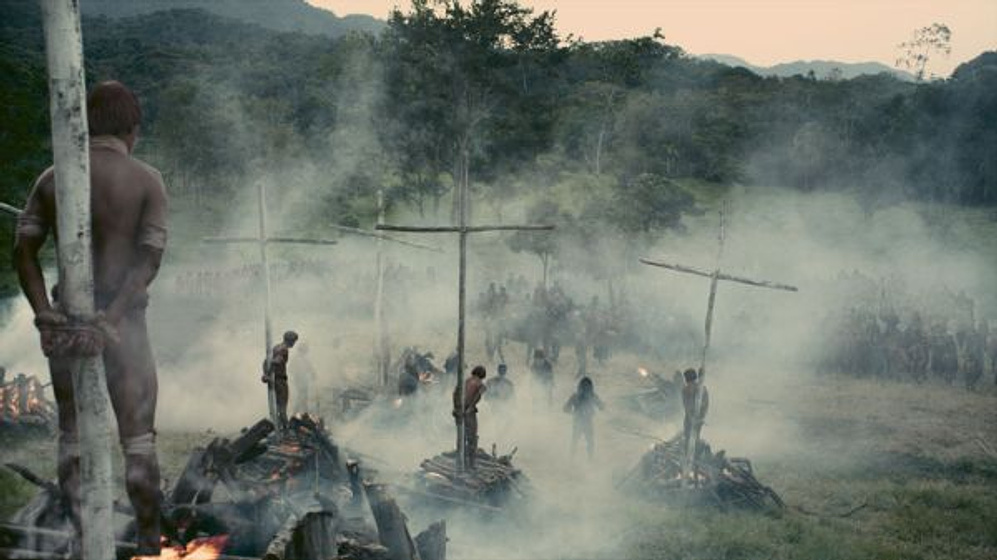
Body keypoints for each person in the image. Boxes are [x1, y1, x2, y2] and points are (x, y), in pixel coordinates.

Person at [14, 81, 168, 554]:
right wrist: (114, 317)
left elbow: (23, 251)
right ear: (132, 129)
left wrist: (45, 315)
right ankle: (146, 545)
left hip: (67, 330)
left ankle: (83, 541)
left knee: (72, 441)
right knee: (138, 444)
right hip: (126, 332)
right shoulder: (146, 180)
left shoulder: (52, 178)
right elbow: (148, 262)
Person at [454, 365, 487, 468]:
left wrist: (456, 408)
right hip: (469, 413)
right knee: (472, 438)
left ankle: (460, 462)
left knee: (462, 437)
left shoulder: (465, 381)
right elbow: (477, 396)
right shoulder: (480, 384)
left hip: (459, 411)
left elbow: (455, 393)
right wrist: (470, 408)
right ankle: (470, 464)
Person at [263, 331, 298, 428]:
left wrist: (266, 374)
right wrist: (268, 374)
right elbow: (276, 361)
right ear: (291, 340)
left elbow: (266, 362)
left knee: (279, 406)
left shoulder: (276, 347)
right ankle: (285, 429)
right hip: (280, 380)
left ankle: (279, 426)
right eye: (294, 341)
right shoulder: (284, 349)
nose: (294, 344)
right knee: (282, 406)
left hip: (276, 379)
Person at [563, 376, 604, 459]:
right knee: (580, 442)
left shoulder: (587, 396)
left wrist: (573, 413)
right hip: (581, 422)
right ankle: (575, 458)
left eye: (587, 386)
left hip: (584, 422)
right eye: (584, 386)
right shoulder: (579, 396)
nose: (586, 389)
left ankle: (584, 459)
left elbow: (601, 406)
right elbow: (565, 408)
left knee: (584, 442)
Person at [681, 368, 709, 446]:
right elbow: (686, 406)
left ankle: (695, 452)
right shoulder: (685, 390)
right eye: (689, 383)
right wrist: (691, 417)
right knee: (688, 436)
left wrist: (701, 416)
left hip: (698, 417)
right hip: (689, 418)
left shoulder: (702, 389)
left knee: (695, 437)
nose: (690, 384)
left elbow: (706, 404)